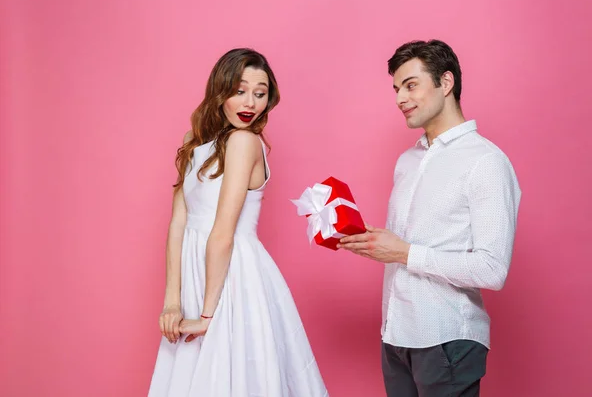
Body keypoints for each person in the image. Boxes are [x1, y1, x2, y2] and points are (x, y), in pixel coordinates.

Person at [338, 39, 521, 396]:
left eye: (411, 85)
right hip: (395, 336)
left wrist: (404, 252)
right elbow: (403, 245)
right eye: (396, 89)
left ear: (446, 83)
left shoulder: (486, 162)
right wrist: (372, 243)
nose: (399, 99)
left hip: (446, 339)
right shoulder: (407, 160)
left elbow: (492, 269)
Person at [148, 48, 328, 397]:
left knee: (229, 376)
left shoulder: (244, 142)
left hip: (232, 276)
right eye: (240, 90)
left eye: (260, 94)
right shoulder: (193, 143)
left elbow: (223, 233)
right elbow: (177, 223)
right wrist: (173, 300)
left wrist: (208, 317)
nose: (251, 103)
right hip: (196, 272)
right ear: (220, 91)